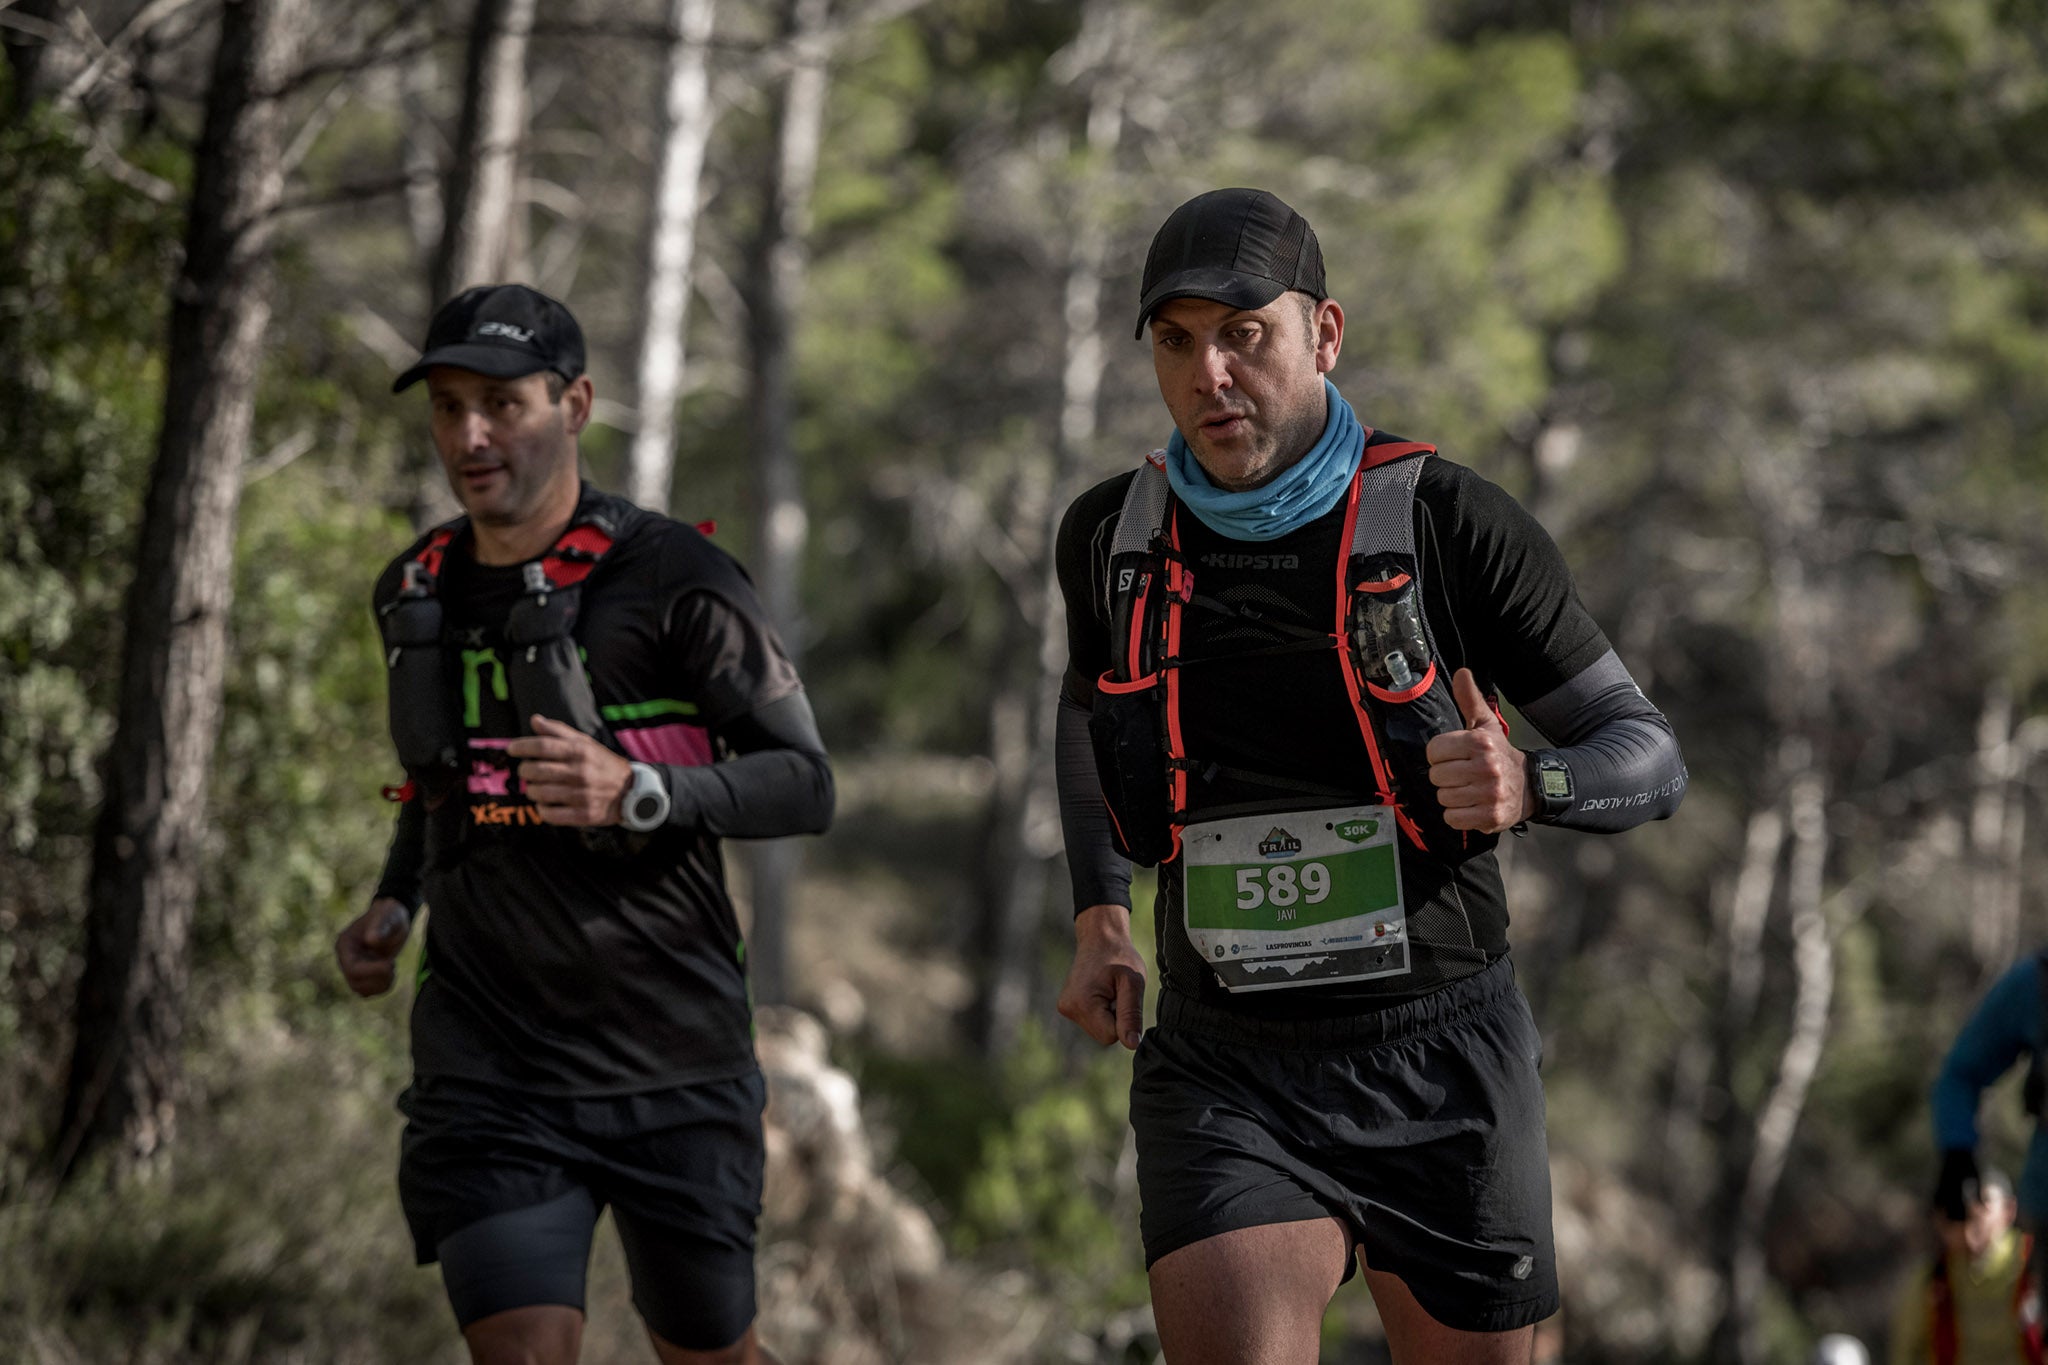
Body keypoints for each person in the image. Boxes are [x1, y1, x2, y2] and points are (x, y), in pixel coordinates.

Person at [1052, 188, 1686, 1364]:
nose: (1208, 374)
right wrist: (1100, 918)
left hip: (1440, 1057)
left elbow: (1643, 752)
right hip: (1223, 1060)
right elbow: (1088, 719)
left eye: (1245, 333)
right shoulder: (1111, 535)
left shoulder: (1450, 522)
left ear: (1323, 334)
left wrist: (1528, 785)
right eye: (1175, 341)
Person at [335, 283, 833, 1365]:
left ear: (575, 405)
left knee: (707, 1354)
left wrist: (639, 792)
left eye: (502, 404)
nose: (469, 435)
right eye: (448, 407)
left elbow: (804, 783)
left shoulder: (676, 580)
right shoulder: (413, 588)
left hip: (671, 1060)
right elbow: (439, 786)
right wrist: (393, 900)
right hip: (490, 1067)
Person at [1888, 1166, 2041, 1364]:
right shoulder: (1934, 1276)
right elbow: (1906, 1349)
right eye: (1967, 1203)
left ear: (2009, 1209)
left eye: (1983, 1201)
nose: (1974, 1211)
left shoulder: (2034, 1262)